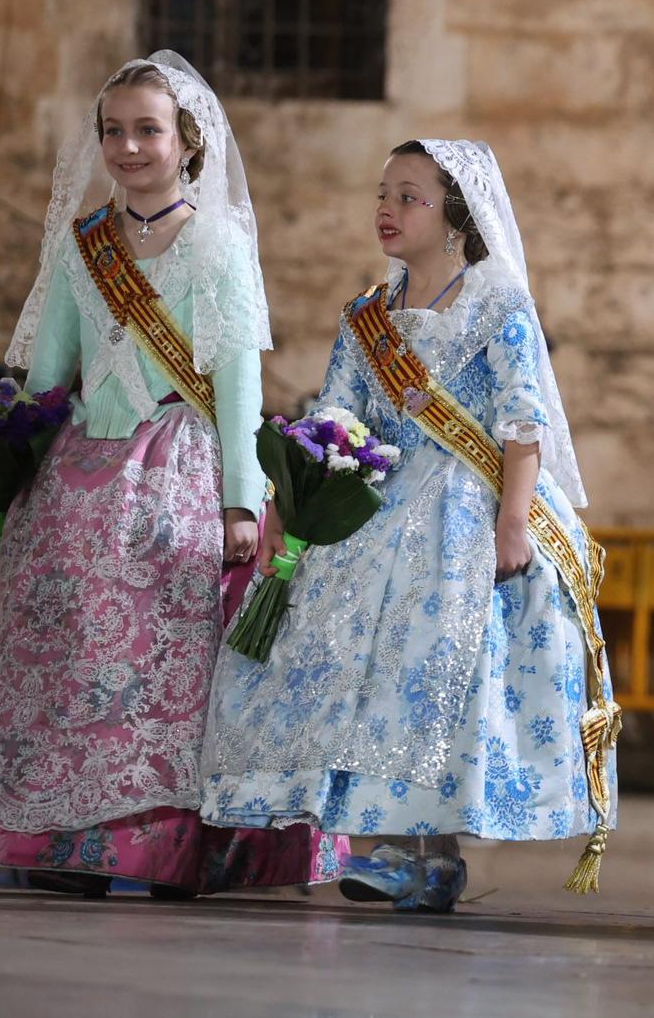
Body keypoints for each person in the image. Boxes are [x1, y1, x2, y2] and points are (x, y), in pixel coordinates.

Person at [0, 51, 339, 897]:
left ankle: (158, 846)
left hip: (176, 470)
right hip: (78, 472)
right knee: (59, 648)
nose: (128, 147)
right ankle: (57, 838)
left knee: (163, 671)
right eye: (113, 131)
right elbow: (48, 377)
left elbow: (237, 388)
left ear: (187, 142)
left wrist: (242, 502)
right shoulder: (84, 247)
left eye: (147, 130)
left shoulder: (219, 244)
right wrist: (12, 465)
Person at [198, 139, 617, 913]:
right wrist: (302, 491)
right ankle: (386, 844)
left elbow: (523, 423)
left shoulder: (499, 302)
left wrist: (513, 523)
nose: (386, 209)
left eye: (409, 196)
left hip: (465, 511)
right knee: (361, 665)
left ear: (455, 215)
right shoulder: (367, 316)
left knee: (434, 671)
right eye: (382, 194)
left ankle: (434, 852)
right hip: (380, 507)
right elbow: (339, 414)